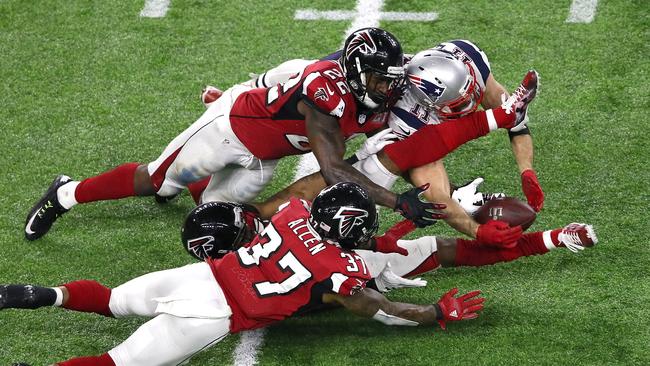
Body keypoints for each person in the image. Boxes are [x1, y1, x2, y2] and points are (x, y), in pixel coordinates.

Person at [24, 27, 442, 242]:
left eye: (390, 79)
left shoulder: (382, 83)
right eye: (378, 79)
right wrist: (395, 201)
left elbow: (289, 67)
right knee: (155, 178)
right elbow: (332, 169)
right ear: (354, 72)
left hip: (265, 157)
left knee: (215, 219)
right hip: (231, 131)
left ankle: (185, 184)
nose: (388, 88)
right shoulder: (325, 91)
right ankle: (66, 193)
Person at [3, 183, 482, 365]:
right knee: (117, 364)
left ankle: (32, 294)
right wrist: (434, 311)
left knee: (110, 299)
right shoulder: (341, 270)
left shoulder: (293, 212)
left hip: (199, 278)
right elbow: (382, 309)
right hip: (215, 314)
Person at [197, 40, 541, 247]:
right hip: (362, 115)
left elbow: (515, 118)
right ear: (426, 99)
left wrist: (527, 172)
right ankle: (236, 97)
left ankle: (253, 214)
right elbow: (432, 192)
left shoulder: (467, 60)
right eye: (456, 107)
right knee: (349, 173)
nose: (468, 107)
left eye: (470, 98)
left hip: (384, 109)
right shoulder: (404, 116)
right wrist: (475, 230)